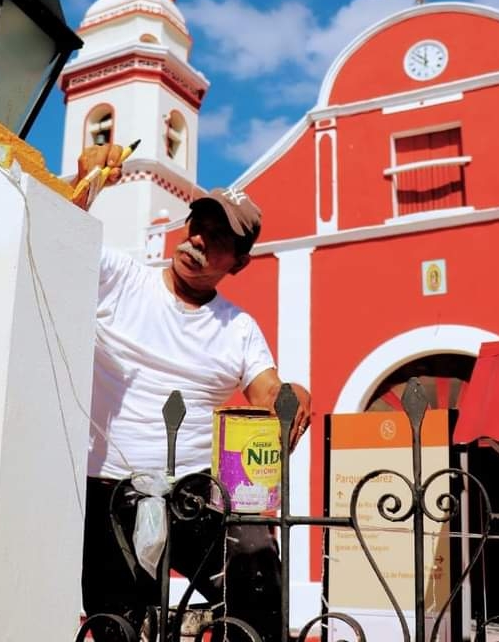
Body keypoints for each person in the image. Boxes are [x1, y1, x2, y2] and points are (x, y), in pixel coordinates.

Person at [75, 143, 312, 642]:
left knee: (256, 574)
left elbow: (267, 389)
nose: (199, 239)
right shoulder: (122, 278)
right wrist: (87, 183)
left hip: (195, 494)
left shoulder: (238, 327)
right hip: (108, 490)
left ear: (239, 263)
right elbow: (57, 239)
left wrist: (289, 395)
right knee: (114, 624)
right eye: (198, 225)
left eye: (219, 237)